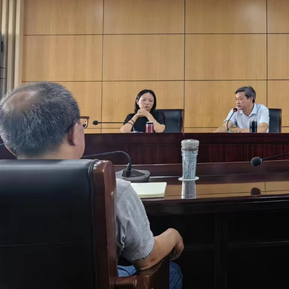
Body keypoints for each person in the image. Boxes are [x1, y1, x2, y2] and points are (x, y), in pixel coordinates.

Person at [0, 82, 183, 288]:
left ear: (9, 145)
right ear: (74, 134)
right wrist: (173, 234)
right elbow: (147, 259)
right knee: (172, 271)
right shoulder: (112, 190)